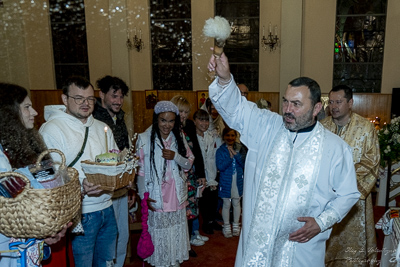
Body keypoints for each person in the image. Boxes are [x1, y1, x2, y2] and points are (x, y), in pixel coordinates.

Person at [207, 52, 360, 266]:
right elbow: (237, 109)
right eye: (286, 102)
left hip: (300, 245)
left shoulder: (335, 148)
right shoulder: (266, 125)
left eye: (296, 104)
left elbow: (349, 193)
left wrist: (322, 222)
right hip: (257, 241)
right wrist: (224, 79)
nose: (288, 110)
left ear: (317, 108)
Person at [39, 76, 119, 267]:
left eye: (90, 99)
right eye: (78, 98)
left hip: (107, 206)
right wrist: (79, 186)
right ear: (65, 99)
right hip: (80, 213)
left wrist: (124, 174)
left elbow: (113, 160)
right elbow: (47, 177)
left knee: (107, 262)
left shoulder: (102, 127)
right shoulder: (51, 129)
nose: (85, 103)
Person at [0, 83, 70, 267]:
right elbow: (17, 204)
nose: (35, 112)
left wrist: (49, 226)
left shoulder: (26, 145)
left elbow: (44, 185)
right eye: (26, 107)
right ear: (8, 113)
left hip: (28, 246)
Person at [321, 85, 380, 266]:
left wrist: (343, 178)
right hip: (326, 196)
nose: (334, 106)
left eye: (338, 102)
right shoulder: (322, 127)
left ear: (350, 103)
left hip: (354, 197)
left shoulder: (365, 128)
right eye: (331, 102)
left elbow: (372, 161)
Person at [136, 101, 193, 267]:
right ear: (156, 120)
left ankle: (174, 260)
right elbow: (140, 172)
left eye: (171, 121)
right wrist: (143, 197)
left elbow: (188, 164)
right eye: (163, 120)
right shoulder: (144, 138)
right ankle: (161, 262)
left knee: (175, 229)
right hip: (156, 194)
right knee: (160, 232)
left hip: (176, 193)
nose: (167, 125)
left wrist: (176, 156)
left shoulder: (179, 137)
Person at [92, 75, 132, 267]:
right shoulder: (94, 119)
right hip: (103, 190)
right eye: (114, 96)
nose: (118, 101)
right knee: (108, 238)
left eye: (121, 96)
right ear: (101, 95)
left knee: (122, 235)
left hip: (121, 186)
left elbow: (124, 150)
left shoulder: (120, 118)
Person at [170, 95, 208, 251]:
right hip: (176, 175)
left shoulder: (190, 125)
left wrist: (201, 174)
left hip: (191, 174)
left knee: (191, 208)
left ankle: (190, 239)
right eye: (180, 111)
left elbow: (196, 151)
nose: (183, 115)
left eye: (186, 112)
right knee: (179, 209)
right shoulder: (169, 127)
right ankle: (181, 242)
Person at [194, 109, 222, 235]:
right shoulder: (192, 138)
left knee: (213, 199)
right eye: (201, 120)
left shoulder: (211, 136)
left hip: (212, 171)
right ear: (195, 121)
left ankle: (211, 220)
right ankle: (205, 223)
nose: (204, 123)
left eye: (206, 120)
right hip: (200, 173)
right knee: (203, 201)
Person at [216, 127, 245, 238]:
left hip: (238, 181)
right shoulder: (220, 150)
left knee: (236, 203)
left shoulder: (240, 148)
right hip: (226, 181)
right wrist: (230, 157)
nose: (230, 138)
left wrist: (236, 155)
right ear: (224, 137)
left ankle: (236, 224)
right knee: (226, 203)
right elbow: (220, 166)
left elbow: (243, 164)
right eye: (228, 135)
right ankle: (226, 226)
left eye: (232, 135)